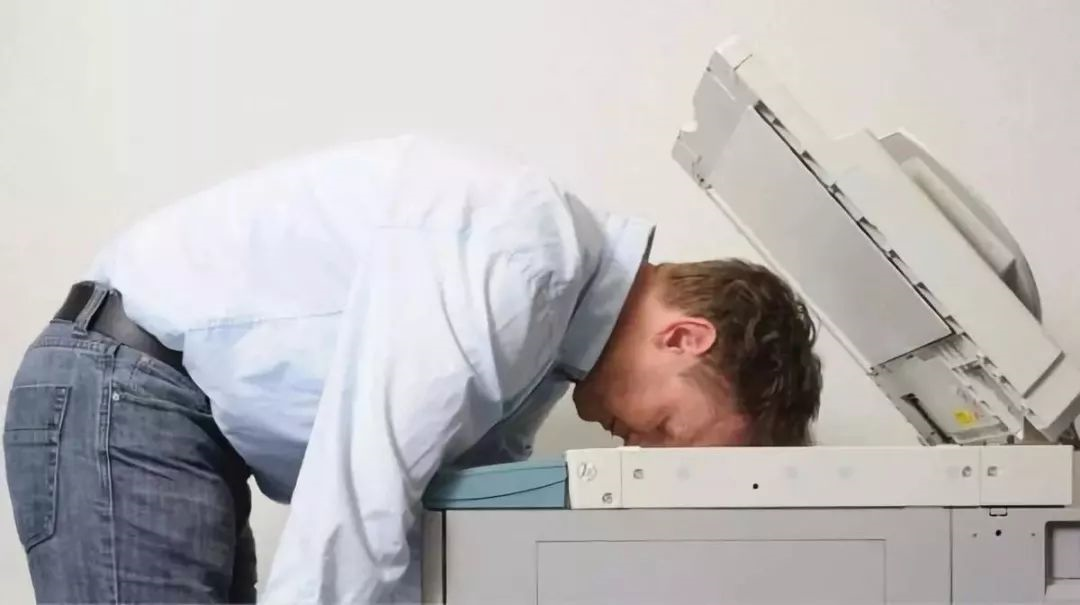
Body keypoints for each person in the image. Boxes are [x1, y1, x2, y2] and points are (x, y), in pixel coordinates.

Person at [3, 134, 823, 604]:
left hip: (167, 417)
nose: (641, 446)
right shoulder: (524, 255)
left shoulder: (544, 334)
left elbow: (426, 521)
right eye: (670, 430)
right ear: (685, 338)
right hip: (127, 390)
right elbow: (361, 495)